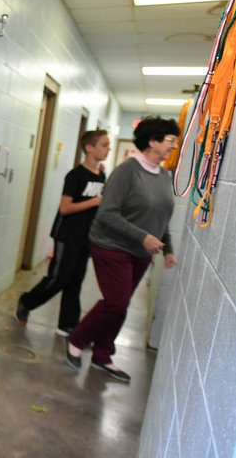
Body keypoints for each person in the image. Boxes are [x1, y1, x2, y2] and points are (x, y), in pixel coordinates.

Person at [65, 116, 179, 383]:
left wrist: (168, 248)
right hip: (111, 246)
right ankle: (78, 338)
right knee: (116, 302)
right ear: (153, 142)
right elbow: (107, 214)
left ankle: (103, 355)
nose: (174, 146)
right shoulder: (126, 171)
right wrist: (143, 237)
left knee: (121, 305)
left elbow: (161, 216)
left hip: (141, 253)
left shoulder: (164, 176)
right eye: (170, 140)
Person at [15, 130, 110, 336]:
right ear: (89, 148)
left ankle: (67, 324)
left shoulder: (101, 175)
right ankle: (27, 301)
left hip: (87, 236)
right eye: (104, 145)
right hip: (67, 235)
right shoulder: (75, 175)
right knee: (59, 278)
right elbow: (65, 208)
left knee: (76, 280)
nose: (108, 149)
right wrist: (94, 201)